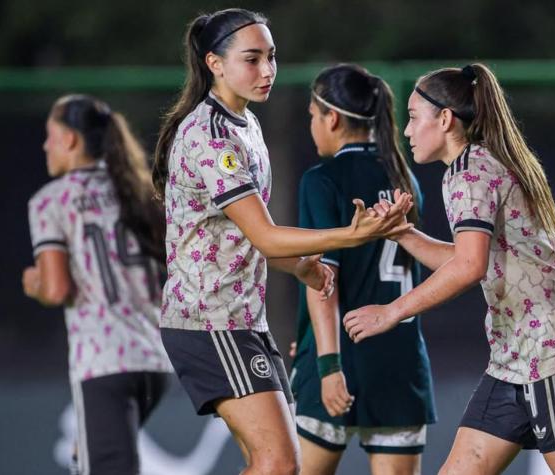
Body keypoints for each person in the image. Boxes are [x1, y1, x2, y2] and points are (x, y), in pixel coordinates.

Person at [151, 10, 413, 475]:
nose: (268, 70)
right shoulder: (211, 135)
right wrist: (350, 236)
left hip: (240, 319)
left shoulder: (244, 124)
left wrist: (301, 266)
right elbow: (267, 236)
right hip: (211, 320)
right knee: (279, 463)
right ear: (215, 63)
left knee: (267, 461)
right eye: (252, 59)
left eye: (272, 57)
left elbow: (243, 235)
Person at [343, 63, 555, 475]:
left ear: (445, 119)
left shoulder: (470, 172)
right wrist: (403, 233)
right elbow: (472, 259)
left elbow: (469, 267)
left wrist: (391, 312)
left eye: (415, 118)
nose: (406, 131)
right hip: (513, 357)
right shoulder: (473, 166)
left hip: (551, 353)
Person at [291, 64, 436, 475]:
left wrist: (326, 364)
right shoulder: (404, 176)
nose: (312, 125)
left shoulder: (323, 179)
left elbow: (324, 280)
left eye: (312, 116)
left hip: (340, 358)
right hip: (400, 362)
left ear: (331, 118)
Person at [23, 94, 172, 475]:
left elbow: (57, 289)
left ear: (70, 140)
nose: (44, 145)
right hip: (156, 361)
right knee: (86, 458)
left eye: (50, 135)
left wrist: (35, 283)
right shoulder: (139, 193)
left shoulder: (52, 201)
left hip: (105, 362)